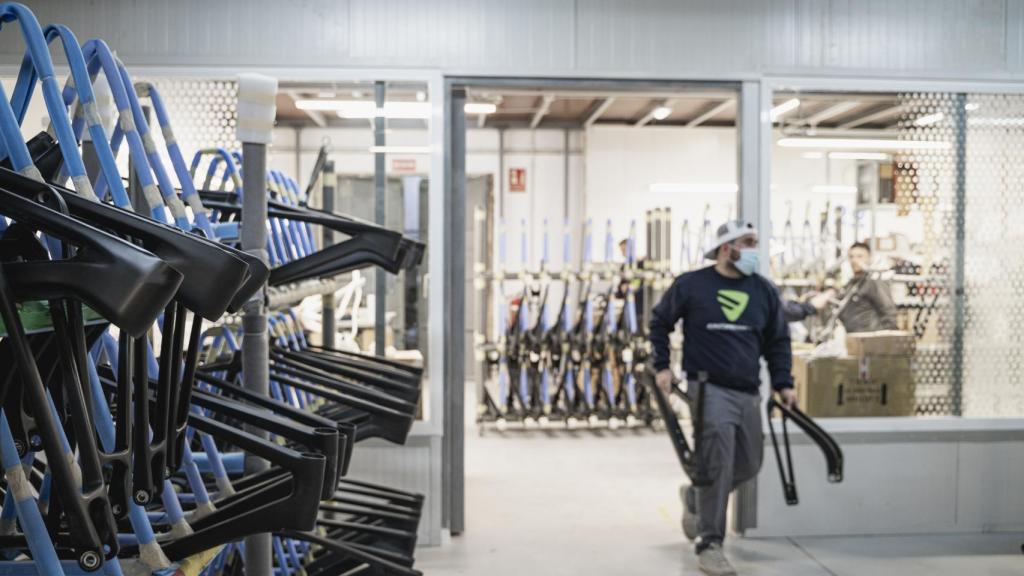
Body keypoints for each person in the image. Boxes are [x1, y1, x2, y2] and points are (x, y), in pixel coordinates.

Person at [649, 219, 796, 576]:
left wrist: (783, 382)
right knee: (717, 466)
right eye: (747, 243)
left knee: (749, 464)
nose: (753, 250)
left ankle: (697, 497)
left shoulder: (763, 291)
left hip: (748, 390)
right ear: (726, 248)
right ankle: (709, 543)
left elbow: (778, 341)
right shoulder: (692, 285)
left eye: (755, 243)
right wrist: (663, 366)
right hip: (708, 388)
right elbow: (659, 322)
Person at [837, 242, 897, 333]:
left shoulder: (873, 282)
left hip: (871, 340)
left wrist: (887, 339)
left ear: (869, 259)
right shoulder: (850, 285)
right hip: (854, 339)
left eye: (859, 256)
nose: (854, 260)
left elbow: (889, 312)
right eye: (851, 256)